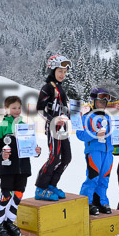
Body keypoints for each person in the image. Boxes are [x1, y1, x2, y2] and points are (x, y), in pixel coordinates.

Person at [0, 96, 41, 236]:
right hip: (7, 168)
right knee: (6, 195)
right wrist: (1, 154)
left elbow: (31, 146)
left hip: (23, 168)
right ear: (6, 109)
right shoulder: (0, 127)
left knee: (17, 196)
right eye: (13, 108)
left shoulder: (25, 126)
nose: (17, 111)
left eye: (18, 108)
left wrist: (36, 151)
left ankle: (9, 222)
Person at [35, 55, 72, 200]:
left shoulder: (61, 88)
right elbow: (39, 109)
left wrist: (73, 114)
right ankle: (41, 187)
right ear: (53, 70)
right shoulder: (47, 87)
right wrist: (53, 120)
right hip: (52, 128)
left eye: (65, 72)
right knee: (54, 157)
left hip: (62, 129)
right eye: (60, 71)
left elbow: (64, 109)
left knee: (67, 158)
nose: (63, 74)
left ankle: (52, 184)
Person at [77, 87, 114, 215]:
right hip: (94, 150)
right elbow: (80, 135)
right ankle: (87, 202)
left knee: (104, 178)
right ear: (93, 102)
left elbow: (114, 136)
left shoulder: (109, 118)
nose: (103, 104)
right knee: (93, 176)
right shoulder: (88, 117)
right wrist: (94, 134)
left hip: (108, 152)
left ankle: (101, 201)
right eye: (100, 101)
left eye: (105, 102)